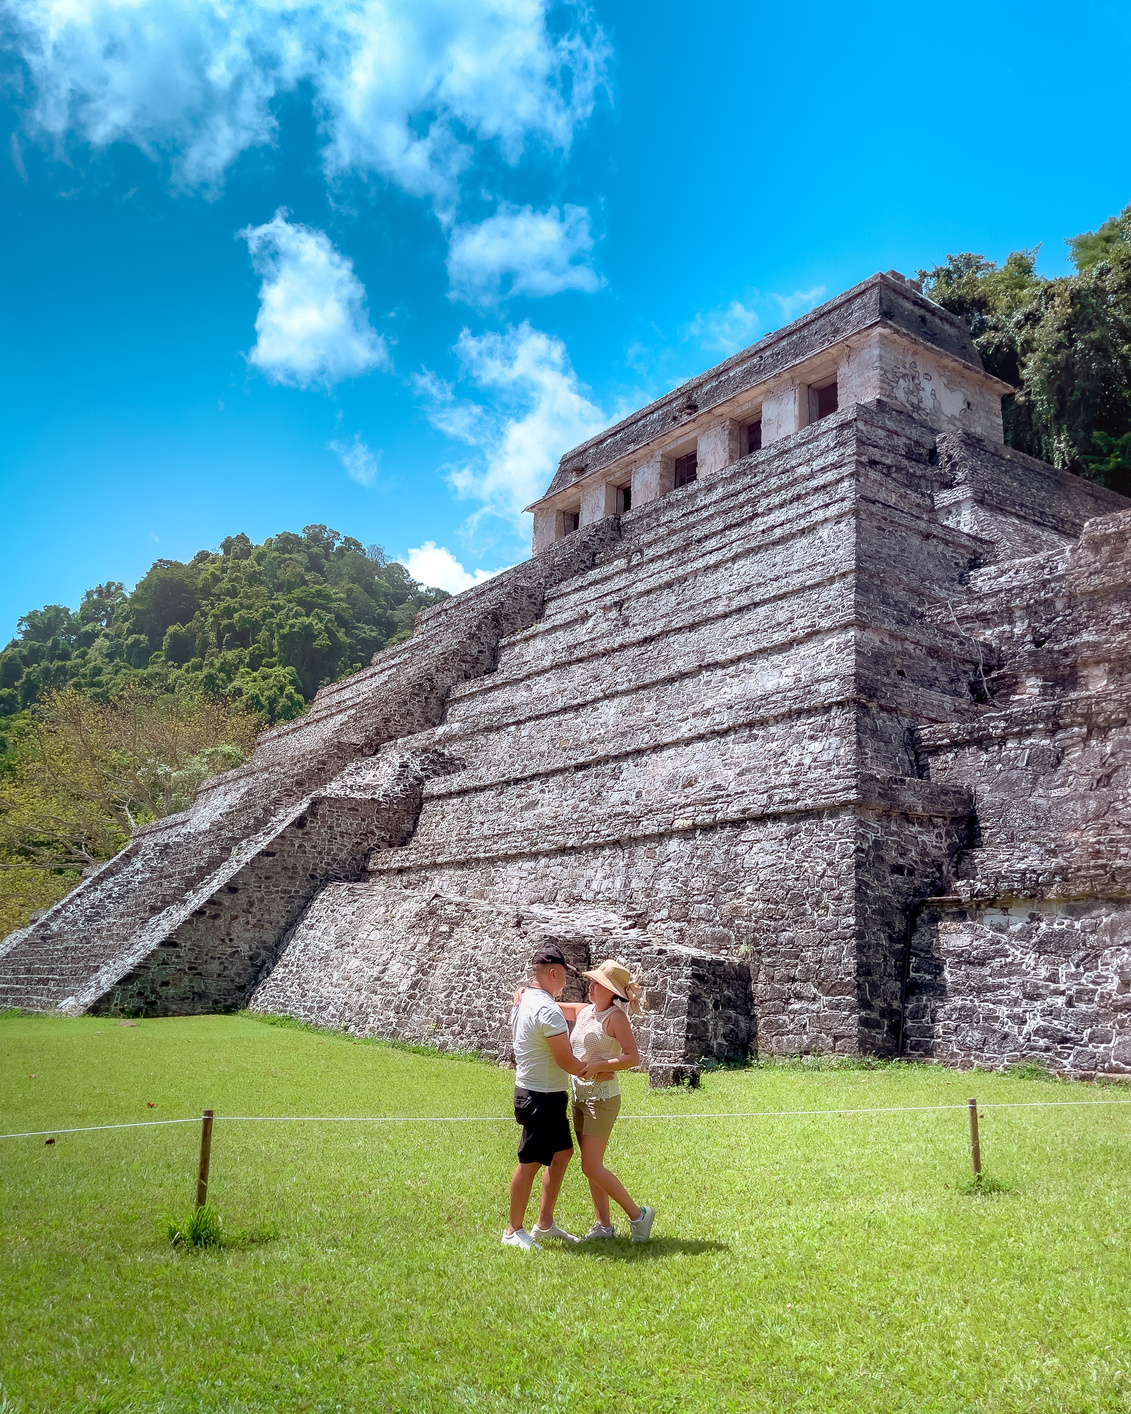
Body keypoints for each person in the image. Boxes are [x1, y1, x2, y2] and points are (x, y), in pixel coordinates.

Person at [558, 959, 656, 1243]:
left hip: (602, 1098)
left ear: (611, 991)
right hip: (580, 1096)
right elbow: (553, 1007)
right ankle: (603, 1225)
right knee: (591, 1165)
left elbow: (633, 1057)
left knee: (591, 1165)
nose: (591, 987)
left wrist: (602, 1065)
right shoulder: (585, 1011)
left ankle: (638, 1215)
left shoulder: (616, 1017)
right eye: (592, 982)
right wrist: (527, 992)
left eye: (598, 984)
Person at [503, 945, 590, 1251]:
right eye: (564, 975)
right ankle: (513, 1230)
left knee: (562, 1153)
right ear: (553, 973)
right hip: (539, 1096)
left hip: (546, 1095)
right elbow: (566, 1061)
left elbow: (576, 1010)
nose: (565, 982)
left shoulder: (527, 998)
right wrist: (593, 1070)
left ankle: (545, 1223)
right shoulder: (546, 1009)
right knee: (529, 1163)